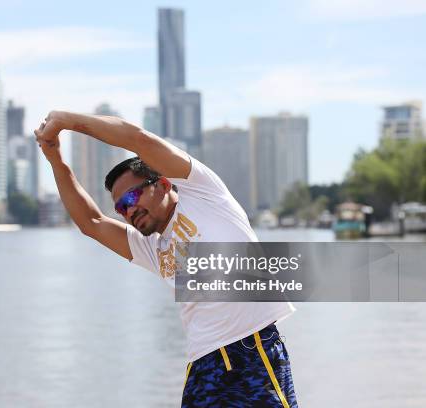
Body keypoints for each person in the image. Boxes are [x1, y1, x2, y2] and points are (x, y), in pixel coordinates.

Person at [35, 110, 298, 407]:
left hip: (250, 352)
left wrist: (66, 121)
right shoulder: (153, 248)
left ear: (161, 184)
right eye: (121, 208)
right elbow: (91, 223)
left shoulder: (203, 194)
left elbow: (138, 139)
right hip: (202, 366)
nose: (129, 211)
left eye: (132, 198)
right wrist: (55, 159)